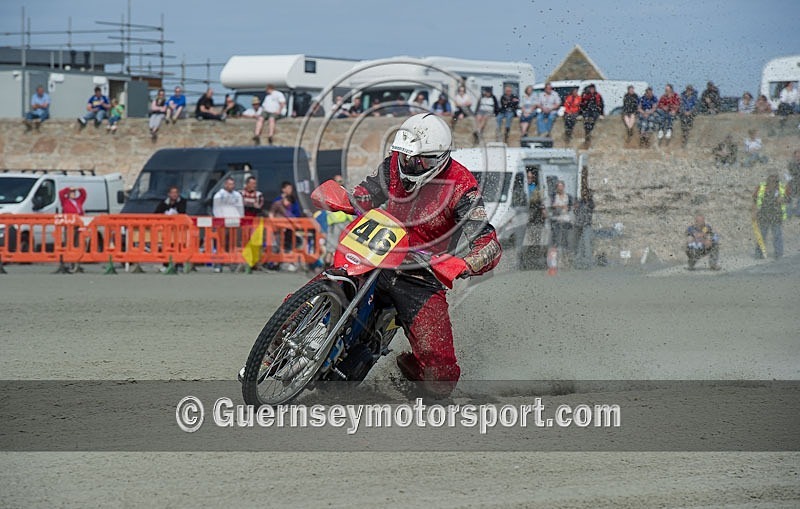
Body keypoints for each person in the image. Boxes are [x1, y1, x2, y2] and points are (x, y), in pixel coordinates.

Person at [343, 113, 501, 395]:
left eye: (420, 161)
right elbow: (367, 192)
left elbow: (488, 243)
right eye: (406, 158)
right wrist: (347, 199)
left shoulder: (462, 187)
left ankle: (409, 373)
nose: (411, 165)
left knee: (441, 379)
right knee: (333, 280)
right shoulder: (394, 163)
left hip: (421, 276)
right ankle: (281, 339)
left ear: (440, 157)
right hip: (377, 251)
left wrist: (464, 265)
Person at [752, 174, 789, 260]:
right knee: (762, 235)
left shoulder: (782, 188)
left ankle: (778, 253)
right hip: (764, 215)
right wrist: (753, 212)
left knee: (777, 235)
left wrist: (783, 199)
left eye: (774, 181)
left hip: (776, 216)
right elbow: (754, 199)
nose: (772, 183)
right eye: (770, 180)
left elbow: (788, 199)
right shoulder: (761, 187)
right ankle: (759, 254)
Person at [212, 177, 244, 273]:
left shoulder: (237, 195)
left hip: (235, 223)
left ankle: (233, 264)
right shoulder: (218, 195)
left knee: (234, 245)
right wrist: (220, 222)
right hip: (223, 224)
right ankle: (218, 264)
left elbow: (240, 209)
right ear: (225, 184)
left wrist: (241, 219)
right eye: (229, 184)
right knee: (221, 245)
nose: (231, 186)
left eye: (232, 184)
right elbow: (216, 209)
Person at [573, 176, 595, 270]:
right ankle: (578, 262)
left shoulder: (590, 203)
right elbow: (576, 212)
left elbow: (590, 208)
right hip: (579, 225)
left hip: (586, 225)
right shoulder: (580, 202)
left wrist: (586, 199)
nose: (584, 195)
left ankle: (588, 263)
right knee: (579, 245)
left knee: (586, 245)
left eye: (586, 194)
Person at [549, 180, 574, 254]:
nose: (560, 188)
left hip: (566, 220)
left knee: (565, 238)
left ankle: (565, 254)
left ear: (564, 187)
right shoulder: (553, 196)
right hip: (556, 220)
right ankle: (555, 254)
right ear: (556, 188)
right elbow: (550, 206)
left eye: (561, 186)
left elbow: (571, 207)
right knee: (556, 238)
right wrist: (560, 206)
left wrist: (567, 208)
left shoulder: (568, 196)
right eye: (558, 186)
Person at [787, 149, 800, 217]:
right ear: (794, 156)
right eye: (797, 155)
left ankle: (798, 213)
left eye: (799, 155)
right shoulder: (791, 164)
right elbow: (792, 173)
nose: (798, 157)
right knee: (789, 199)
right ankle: (788, 214)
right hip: (793, 184)